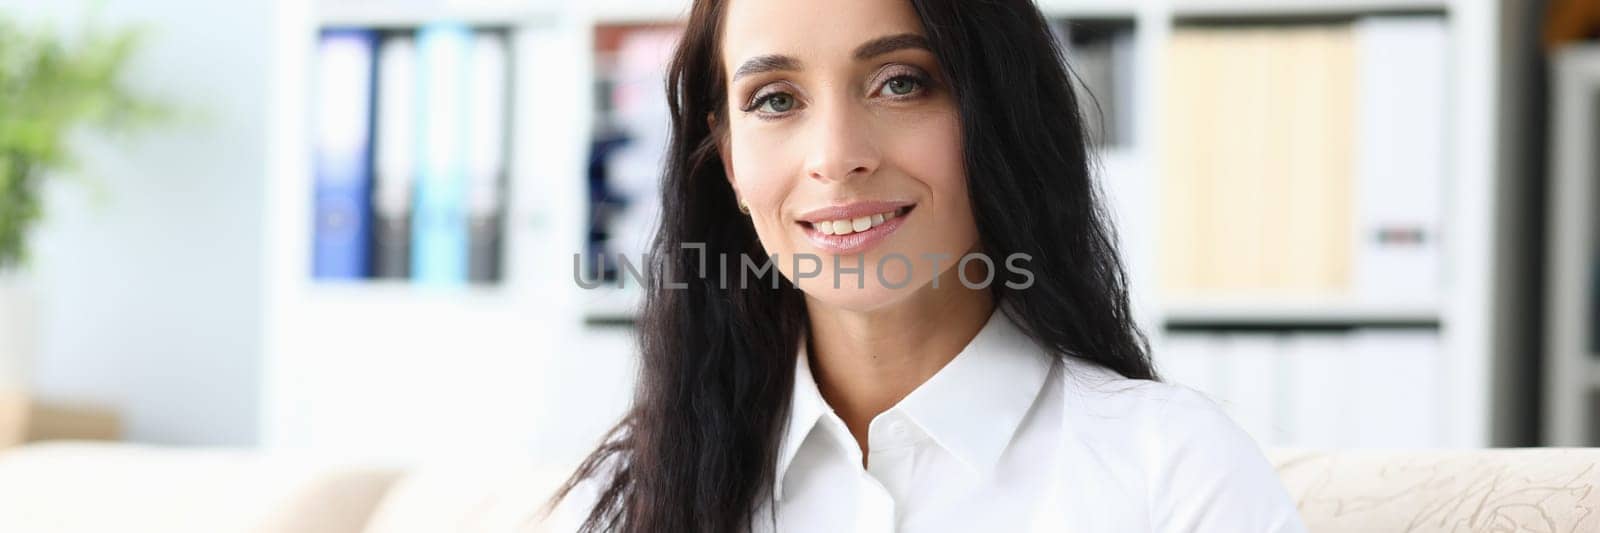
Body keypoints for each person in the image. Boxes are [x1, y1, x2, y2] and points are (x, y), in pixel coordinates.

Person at [547, 0, 1307, 531]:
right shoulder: (629, 501)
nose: (837, 157)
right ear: (729, 162)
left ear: (997, 114)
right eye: (776, 100)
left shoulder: (1173, 472)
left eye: (900, 83)